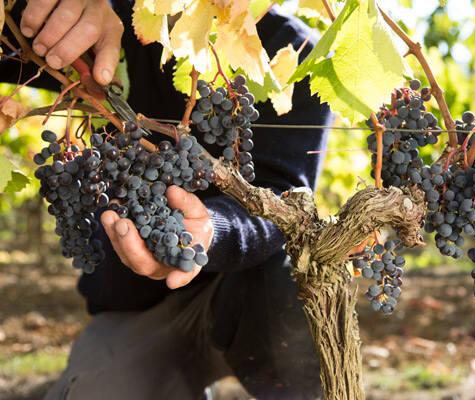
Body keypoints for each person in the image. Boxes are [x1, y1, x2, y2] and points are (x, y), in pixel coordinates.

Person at [2, 1, 333, 398]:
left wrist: (211, 230)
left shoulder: (295, 53)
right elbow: (14, 33)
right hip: (135, 305)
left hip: (248, 290)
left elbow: (284, 199)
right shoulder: (116, 20)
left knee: (295, 286)